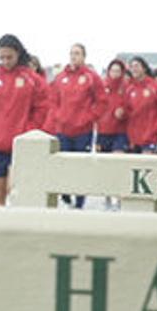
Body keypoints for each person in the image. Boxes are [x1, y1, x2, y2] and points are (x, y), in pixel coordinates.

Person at [0, 35, 49, 206]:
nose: (5, 61)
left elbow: (42, 109)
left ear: (18, 54)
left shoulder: (32, 80)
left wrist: (28, 131)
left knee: (14, 191)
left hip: (21, 146)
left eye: (9, 57)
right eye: (1, 58)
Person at [46, 43, 104, 209]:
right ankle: (65, 193)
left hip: (83, 131)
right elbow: (53, 100)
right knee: (63, 163)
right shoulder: (61, 78)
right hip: (63, 130)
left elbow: (101, 101)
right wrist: (58, 116)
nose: (73, 56)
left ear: (84, 56)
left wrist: (89, 117)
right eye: (72, 53)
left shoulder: (91, 77)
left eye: (77, 53)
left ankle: (79, 202)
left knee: (80, 165)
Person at [124, 57, 157, 153]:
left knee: (146, 164)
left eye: (136, 66)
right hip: (134, 138)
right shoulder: (129, 89)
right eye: (131, 66)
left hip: (151, 136)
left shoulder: (155, 87)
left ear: (144, 68)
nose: (134, 69)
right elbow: (127, 112)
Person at [95, 59, 130, 154]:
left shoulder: (127, 88)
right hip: (103, 131)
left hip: (120, 131)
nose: (115, 74)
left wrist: (124, 112)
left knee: (117, 157)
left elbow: (131, 107)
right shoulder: (101, 86)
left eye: (117, 71)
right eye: (113, 71)